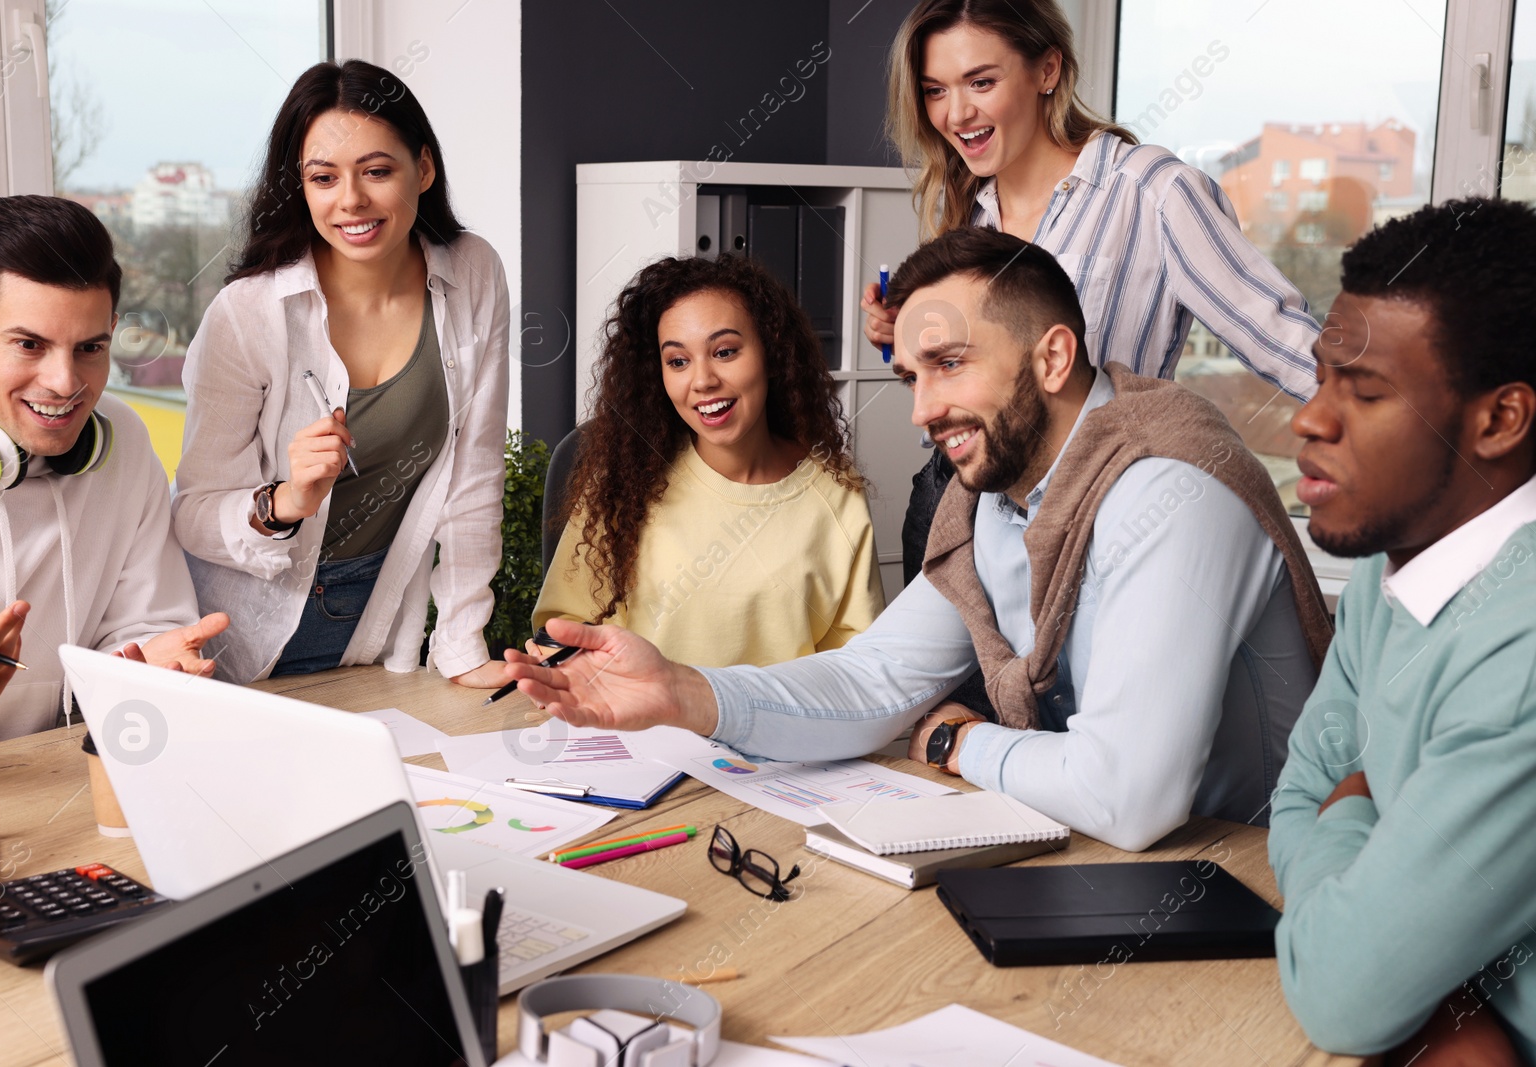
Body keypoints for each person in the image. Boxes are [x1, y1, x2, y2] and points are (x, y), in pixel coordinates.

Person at [504, 228, 1331, 852]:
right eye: (911, 375)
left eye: (950, 363)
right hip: (1103, 856)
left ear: (1052, 357)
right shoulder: (993, 502)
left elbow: (1129, 795)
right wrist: (688, 692)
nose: (922, 410)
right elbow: (873, 678)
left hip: (1243, 877)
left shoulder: (1170, 486)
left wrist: (955, 739)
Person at [868, 0, 1323, 722]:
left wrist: (1425, 434)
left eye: (980, 81)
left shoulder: (1153, 192)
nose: (955, 112)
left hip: (1098, 515)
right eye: (934, 89)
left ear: (1048, 68)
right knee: (955, 756)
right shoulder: (968, 210)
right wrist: (907, 345)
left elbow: (1283, 338)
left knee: (1084, 754)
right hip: (960, 507)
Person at [1269, 198, 1536, 1064]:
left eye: (1366, 390)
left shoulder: (1523, 644)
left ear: (1499, 421)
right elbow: (1303, 786)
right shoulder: (1399, 566)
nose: (1310, 419)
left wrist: (1356, 808)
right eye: (1321, 375)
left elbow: (1345, 992)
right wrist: (1448, 1000)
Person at [172, 60, 510, 686]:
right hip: (239, 633)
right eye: (323, 177)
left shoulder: (473, 273)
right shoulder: (249, 313)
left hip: (373, 621)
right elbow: (192, 511)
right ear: (300, 186)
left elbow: (475, 473)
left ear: (424, 168)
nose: (351, 200)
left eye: (377, 171)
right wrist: (285, 503)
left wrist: (464, 646)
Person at [0, 195, 226, 740]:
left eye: (90, 347)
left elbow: (146, 623)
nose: (66, 383)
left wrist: (147, 666)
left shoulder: (123, 439)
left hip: (71, 773)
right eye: (29, 344)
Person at [535, 254, 884, 665]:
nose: (702, 381)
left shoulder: (835, 492)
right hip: (641, 725)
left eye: (725, 351)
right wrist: (564, 659)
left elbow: (859, 668)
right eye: (678, 361)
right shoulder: (623, 482)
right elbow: (564, 626)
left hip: (778, 728)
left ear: (771, 353)